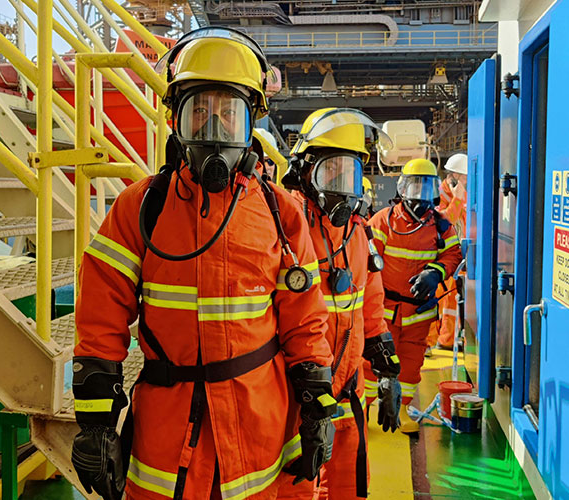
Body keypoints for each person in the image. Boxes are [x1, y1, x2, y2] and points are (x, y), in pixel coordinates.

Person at [71, 27, 337, 500]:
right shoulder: (141, 207)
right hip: (166, 440)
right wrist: (96, 423)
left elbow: (305, 318)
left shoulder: (280, 212)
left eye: (228, 114)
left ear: (250, 123)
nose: (214, 131)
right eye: (200, 113)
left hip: (258, 429)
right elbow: (100, 315)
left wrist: (318, 404)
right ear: (176, 121)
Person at [277, 108, 402, 500]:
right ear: (305, 169)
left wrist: (387, 370)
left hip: (347, 395)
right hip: (294, 402)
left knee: (348, 487)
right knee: (295, 489)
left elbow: (371, 306)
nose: (341, 185)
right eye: (331, 171)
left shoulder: (358, 234)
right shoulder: (284, 223)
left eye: (349, 173)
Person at [365, 158, 463, 434]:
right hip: (384, 310)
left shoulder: (441, 226)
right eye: (414, 185)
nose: (419, 194)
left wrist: (435, 272)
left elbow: (453, 254)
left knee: (411, 363)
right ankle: (364, 408)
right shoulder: (384, 221)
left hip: (418, 312)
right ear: (403, 187)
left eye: (426, 186)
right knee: (372, 361)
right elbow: (369, 261)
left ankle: (404, 408)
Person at [427, 154, 467, 349]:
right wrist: (458, 198)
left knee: (451, 299)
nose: (467, 182)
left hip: (457, 256)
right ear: (453, 176)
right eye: (464, 178)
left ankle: (447, 339)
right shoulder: (438, 194)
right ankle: (428, 343)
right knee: (435, 299)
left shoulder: (462, 194)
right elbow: (445, 221)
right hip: (436, 256)